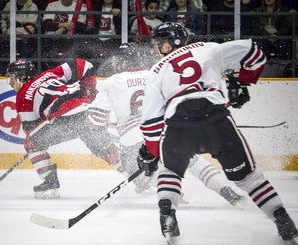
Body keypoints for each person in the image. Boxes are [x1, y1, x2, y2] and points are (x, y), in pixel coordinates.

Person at [137, 22, 298, 245]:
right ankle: (282, 219)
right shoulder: (208, 48)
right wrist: (241, 82)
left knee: (170, 170)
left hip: (178, 127)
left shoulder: (155, 71)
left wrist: (151, 152)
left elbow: (151, 122)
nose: (156, 49)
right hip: (217, 120)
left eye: (159, 43)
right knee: (248, 177)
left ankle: (167, 214)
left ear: (173, 42)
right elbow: (254, 52)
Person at [89, 42, 243, 203]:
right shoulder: (155, 74)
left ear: (124, 62)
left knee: (145, 170)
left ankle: (173, 195)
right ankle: (225, 190)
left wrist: (109, 124)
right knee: (193, 161)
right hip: (164, 130)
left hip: (131, 138)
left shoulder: (112, 81)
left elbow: (96, 119)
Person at [6, 58, 123, 199]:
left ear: (22, 76)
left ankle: (50, 183)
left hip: (69, 118)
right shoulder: (48, 74)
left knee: (31, 142)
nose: (10, 83)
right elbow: (84, 64)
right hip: (90, 113)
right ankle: (139, 175)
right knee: (104, 149)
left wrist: (44, 121)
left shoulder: (23, 96)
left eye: (11, 78)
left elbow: (31, 130)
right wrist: (88, 90)